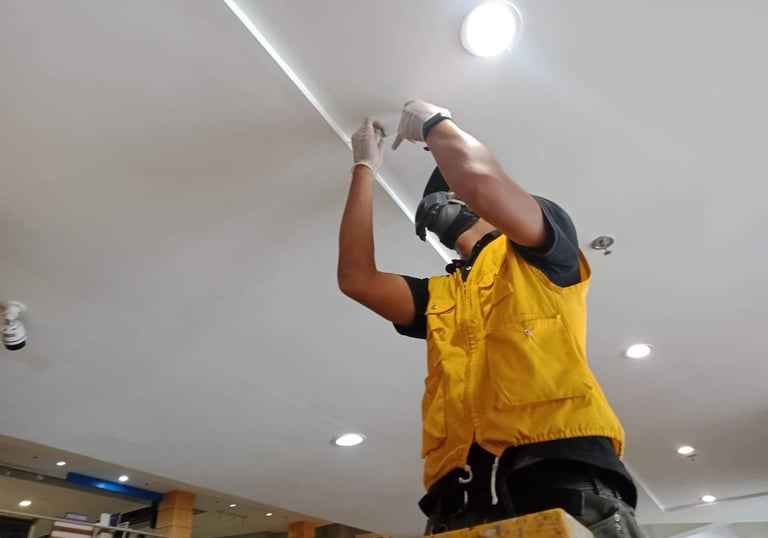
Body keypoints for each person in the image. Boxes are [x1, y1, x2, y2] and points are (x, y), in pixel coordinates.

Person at [337, 100, 645, 537]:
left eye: (449, 200)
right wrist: (364, 168)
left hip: (561, 479)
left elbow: (481, 183)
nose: (446, 217)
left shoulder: (544, 255)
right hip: (457, 499)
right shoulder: (442, 294)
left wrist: (431, 122)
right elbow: (357, 280)